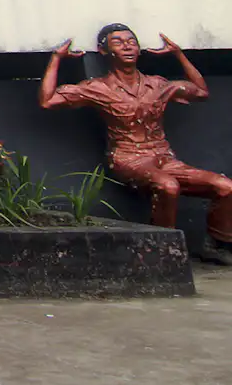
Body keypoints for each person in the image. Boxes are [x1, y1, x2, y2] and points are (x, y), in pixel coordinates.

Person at [40, 25, 232, 266]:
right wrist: (56, 59)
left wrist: (178, 54)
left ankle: (216, 245)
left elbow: (201, 92)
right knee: (167, 186)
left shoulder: (157, 84)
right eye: (118, 42)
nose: (128, 45)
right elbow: (48, 101)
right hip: (127, 158)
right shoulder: (98, 88)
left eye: (131, 41)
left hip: (164, 157)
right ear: (103, 51)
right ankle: (160, 249)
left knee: (225, 186)